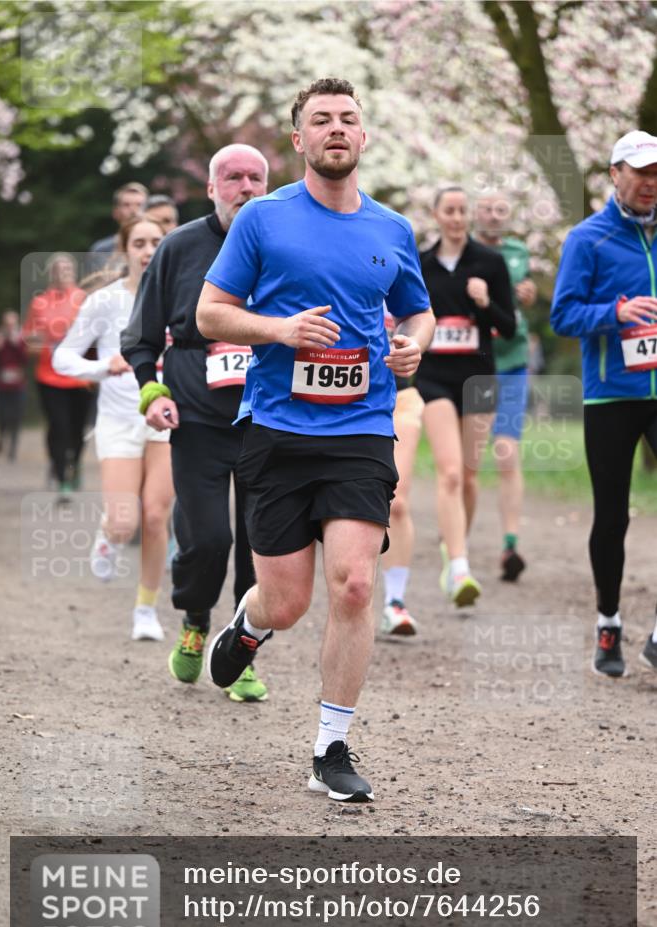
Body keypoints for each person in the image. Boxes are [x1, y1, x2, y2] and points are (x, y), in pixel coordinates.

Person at [196, 77, 434, 802]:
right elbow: (210, 314)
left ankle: (330, 746)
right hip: (275, 427)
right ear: (298, 140)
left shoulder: (390, 229)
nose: (336, 128)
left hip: (362, 424)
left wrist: (411, 346)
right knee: (288, 603)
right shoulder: (263, 220)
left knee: (356, 584)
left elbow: (417, 312)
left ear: (363, 138)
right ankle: (247, 624)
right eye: (320, 120)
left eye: (348, 119)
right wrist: (279, 329)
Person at [121, 144, 270, 702]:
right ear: (211, 188)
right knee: (208, 538)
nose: (246, 187)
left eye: (256, 177)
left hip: (268, 419)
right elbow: (140, 336)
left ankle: (244, 649)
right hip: (198, 415)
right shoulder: (180, 246)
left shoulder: (283, 244)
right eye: (233, 178)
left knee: (262, 543)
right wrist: (151, 392)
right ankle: (195, 620)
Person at [551, 129, 657, 677]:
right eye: (641, 172)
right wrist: (615, 313)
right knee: (612, 514)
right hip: (611, 393)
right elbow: (562, 316)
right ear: (615, 175)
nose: (650, 183)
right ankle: (609, 622)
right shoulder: (587, 239)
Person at [53, 215, 173, 641]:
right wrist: (107, 365)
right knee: (125, 523)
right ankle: (108, 535)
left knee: (157, 517)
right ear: (124, 250)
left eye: (156, 242)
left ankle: (145, 610)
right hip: (119, 420)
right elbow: (61, 359)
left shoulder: (183, 299)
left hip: (166, 420)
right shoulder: (104, 302)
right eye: (139, 242)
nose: (148, 250)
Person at [416, 186, 515, 607]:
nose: (456, 218)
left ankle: (453, 545)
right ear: (436, 215)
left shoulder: (490, 263)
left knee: (471, 477)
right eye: (449, 210)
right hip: (434, 378)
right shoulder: (420, 264)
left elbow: (509, 327)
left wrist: (485, 302)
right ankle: (459, 566)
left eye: (462, 211)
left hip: (478, 378)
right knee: (451, 473)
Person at [475, 192, 537, 581]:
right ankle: (457, 550)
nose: (495, 217)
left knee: (506, 453)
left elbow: (521, 297)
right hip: (474, 366)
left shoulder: (518, 252)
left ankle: (510, 544)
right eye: (487, 210)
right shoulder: (461, 253)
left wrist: (527, 294)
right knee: (466, 461)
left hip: (512, 363)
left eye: (502, 211)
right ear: (475, 214)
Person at [22, 253, 93, 499]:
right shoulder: (39, 303)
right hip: (49, 376)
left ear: (73, 273)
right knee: (58, 427)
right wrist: (41, 343)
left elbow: (97, 335)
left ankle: (75, 464)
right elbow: (28, 339)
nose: (62, 273)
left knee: (77, 429)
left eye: (67, 269)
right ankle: (62, 477)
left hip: (80, 376)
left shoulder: (84, 300)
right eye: (58, 270)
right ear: (51, 274)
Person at [379, 311, 423, 637]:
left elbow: (424, 316)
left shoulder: (400, 263)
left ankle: (395, 601)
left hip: (401, 396)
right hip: (343, 398)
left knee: (397, 502)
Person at [88, 182, 149, 273]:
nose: (133, 210)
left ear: (149, 211)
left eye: (139, 205)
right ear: (115, 212)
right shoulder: (101, 250)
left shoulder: (160, 247)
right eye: (126, 205)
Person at [0, 310, 28, 461]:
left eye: (12, 324)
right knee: (2, 416)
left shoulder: (21, 339)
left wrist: (16, 343)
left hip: (18, 385)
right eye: (7, 324)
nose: (9, 327)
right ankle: (0, 438)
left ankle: (13, 449)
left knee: (16, 417)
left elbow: (26, 360)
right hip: (1, 385)